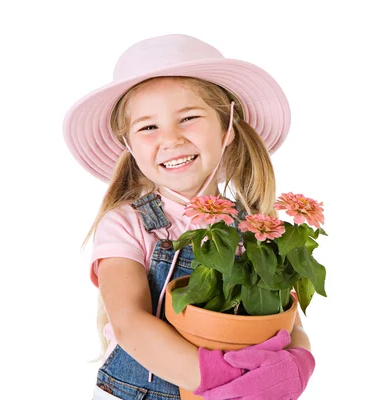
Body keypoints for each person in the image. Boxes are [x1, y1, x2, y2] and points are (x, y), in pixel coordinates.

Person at [63, 33, 315, 400]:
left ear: (227, 128)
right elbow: (131, 324)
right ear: (129, 146)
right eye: (148, 127)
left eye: (189, 118)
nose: (171, 138)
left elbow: (287, 322)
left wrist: (297, 364)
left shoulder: (256, 230)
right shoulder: (126, 224)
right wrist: (219, 380)